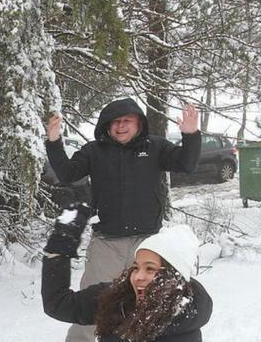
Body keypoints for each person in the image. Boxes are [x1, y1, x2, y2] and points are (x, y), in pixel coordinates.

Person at [45, 98, 201, 342]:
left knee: (153, 305)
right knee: (95, 304)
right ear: (106, 126)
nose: (120, 126)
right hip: (107, 243)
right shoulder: (93, 151)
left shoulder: (155, 147)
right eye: (115, 122)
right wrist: (54, 142)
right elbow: (67, 173)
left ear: (139, 123)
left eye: (126, 120)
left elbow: (186, 164)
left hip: (149, 244)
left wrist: (191, 135)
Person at [41, 205, 212, 342]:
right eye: (136, 267)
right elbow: (58, 303)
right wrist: (61, 244)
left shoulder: (184, 324)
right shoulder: (118, 298)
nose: (138, 276)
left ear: (173, 277)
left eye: (150, 269)